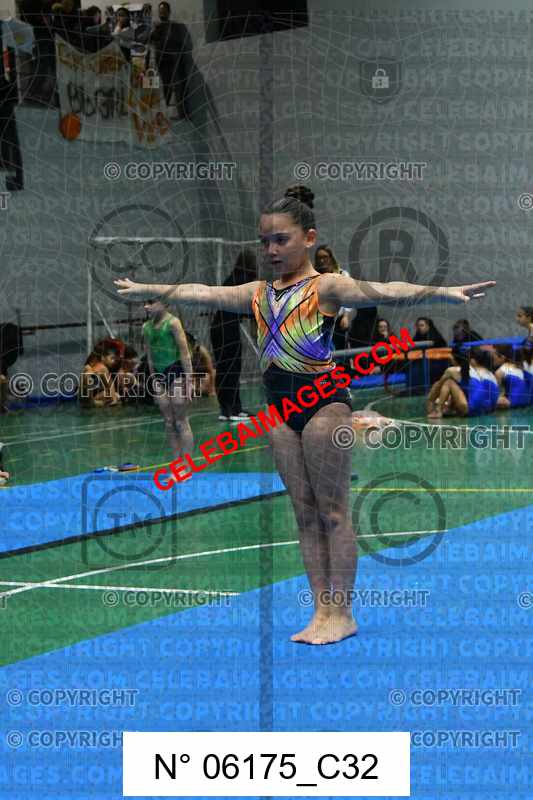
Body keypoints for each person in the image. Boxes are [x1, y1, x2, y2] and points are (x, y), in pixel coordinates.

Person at [114, 188, 496, 645]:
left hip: (323, 403)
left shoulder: (326, 287)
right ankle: (320, 610)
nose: (272, 250)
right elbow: (203, 292)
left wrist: (445, 293)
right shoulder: (257, 293)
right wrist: (150, 289)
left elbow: (387, 290)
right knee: (304, 514)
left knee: (332, 511)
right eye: (265, 242)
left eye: (282, 240)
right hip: (279, 409)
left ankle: (343, 612)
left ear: (309, 238)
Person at [143, 299, 194, 459]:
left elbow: (185, 353)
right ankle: (177, 462)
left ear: (165, 304)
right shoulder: (146, 327)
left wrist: (189, 381)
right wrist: (154, 379)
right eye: (145, 302)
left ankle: (187, 465)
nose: (146, 306)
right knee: (168, 421)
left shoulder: (173, 323)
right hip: (159, 376)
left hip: (175, 371)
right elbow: (149, 356)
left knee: (181, 421)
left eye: (151, 302)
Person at [209, 249, 257, 422]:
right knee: (229, 369)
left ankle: (234, 408)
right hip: (226, 329)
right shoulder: (242, 281)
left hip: (223, 328)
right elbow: (248, 307)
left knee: (230, 368)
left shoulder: (233, 278)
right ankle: (228, 410)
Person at [147, 2, 193, 117]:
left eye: (164, 11)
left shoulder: (175, 27)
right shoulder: (157, 27)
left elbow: (182, 44)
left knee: (178, 87)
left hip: (174, 61)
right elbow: (149, 41)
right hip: (161, 62)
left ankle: (182, 112)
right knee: (164, 86)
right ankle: (167, 112)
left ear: (169, 12)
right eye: (160, 11)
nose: (162, 13)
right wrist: (154, 30)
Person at [426, 347, 498, 418]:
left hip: (471, 409)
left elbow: (438, 385)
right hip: (487, 409)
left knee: (448, 382)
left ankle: (438, 410)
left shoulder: (454, 370)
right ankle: (449, 408)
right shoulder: (485, 373)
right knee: (459, 386)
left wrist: (430, 401)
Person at [314, 244, 350, 351]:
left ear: (331, 258)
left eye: (324, 257)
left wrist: (346, 316)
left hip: (338, 321)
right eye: (319, 258)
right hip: (319, 322)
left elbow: (348, 296)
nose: (322, 261)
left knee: (340, 351)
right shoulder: (314, 276)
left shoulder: (342, 274)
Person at [493, 345, 529, 409]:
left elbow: (495, 392)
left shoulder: (504, 367)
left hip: (512, 402)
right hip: (528, 401)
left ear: (503, 357)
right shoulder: (526, 365)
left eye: (495, 355)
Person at [185, 332, 216, 398]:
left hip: (207, 373)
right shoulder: (186, 353)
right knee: (194, 390)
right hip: (196, 373)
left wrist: (212, 389)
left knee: (202, 389)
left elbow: (210, 370)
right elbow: (190, 372)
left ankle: (210, 388)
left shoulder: (201, 351)